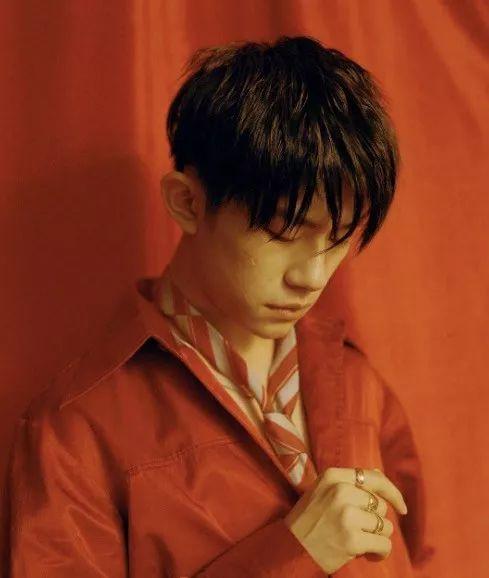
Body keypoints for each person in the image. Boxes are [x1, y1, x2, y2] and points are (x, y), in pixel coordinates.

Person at [2, 35, 434, 577]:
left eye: (340, 238)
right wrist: (294, 554)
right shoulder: (75, 429)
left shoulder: (358, 382)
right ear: (187, 202)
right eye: (282, 232)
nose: (313, 275)